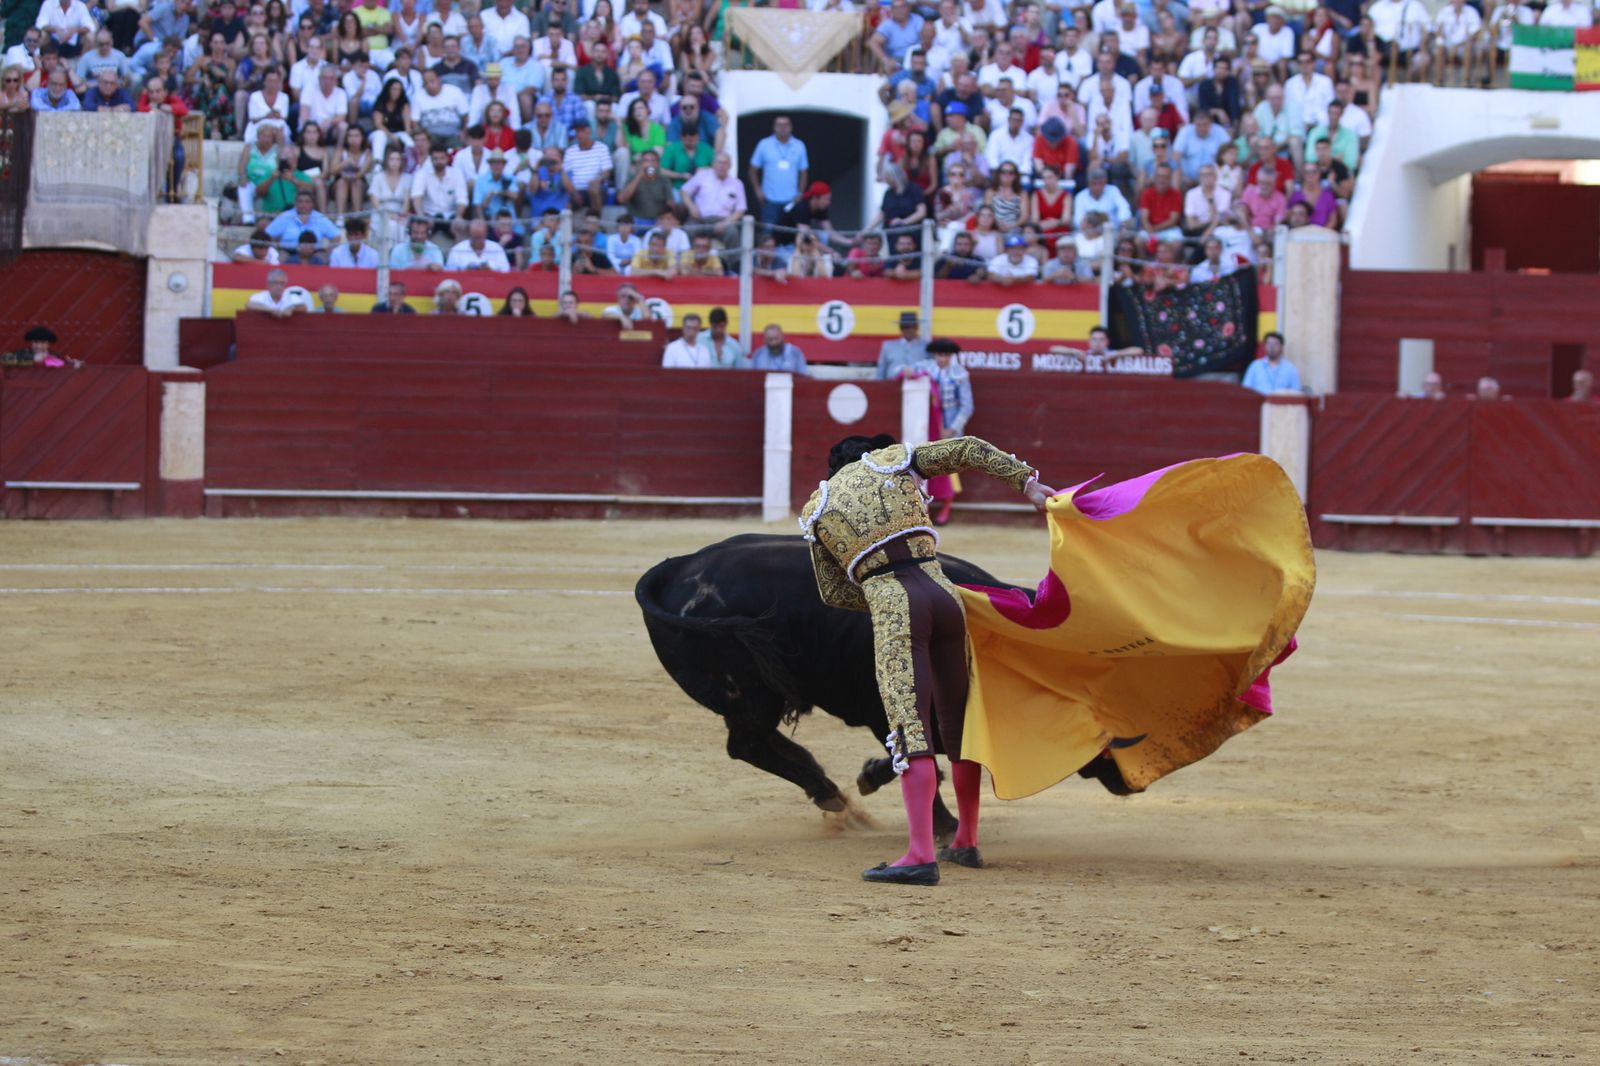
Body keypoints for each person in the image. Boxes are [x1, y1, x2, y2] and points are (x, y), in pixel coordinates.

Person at [800, 433, 1054, 885]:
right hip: (944, 594)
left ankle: (919, 853)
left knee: (908, 725)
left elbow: (831, 592)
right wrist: (1027, 483)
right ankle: (966, 841)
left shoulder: (820, 505)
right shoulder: (894, 462)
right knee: (956, 721)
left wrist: (880, 596)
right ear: (869, 454)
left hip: (896, 604)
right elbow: (969, 448)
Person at [747, 115, 808, 227]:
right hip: (769, 199)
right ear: (774, 127)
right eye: (779, 125)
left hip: (791, 199)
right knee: (768, 235)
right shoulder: (764, 144)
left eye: (785, 125)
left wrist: (800, 192)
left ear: (791, 127)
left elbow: (804, 172)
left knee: (790, 234)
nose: (782, 128)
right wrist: (757, 190)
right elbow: (752, 170)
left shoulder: (799, 145)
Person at [875, 311, 928, 380]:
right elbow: (880, 372)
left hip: (917, 387)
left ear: (916, 328)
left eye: (912, 327)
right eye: (905, 327)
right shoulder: (889, 346)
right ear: (901, 328)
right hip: (892, 386)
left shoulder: (926, 346)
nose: (909, 330)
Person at [3, 326, 80, 367]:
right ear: (32, 342)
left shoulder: (55, 356)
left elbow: (65, 363)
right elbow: (4, 359)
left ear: (48, 344)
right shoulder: (22, 352)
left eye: (43, 342)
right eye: (36, 342)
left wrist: (73, 363)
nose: (39, 346)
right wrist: (32, 359)